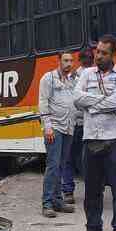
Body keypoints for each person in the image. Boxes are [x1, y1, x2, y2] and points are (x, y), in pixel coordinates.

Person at [71, 34, 116, 231]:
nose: (99, 56)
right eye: (97, 52)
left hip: (114, 139)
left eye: (104, 53)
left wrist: (92, 105)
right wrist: (103, 104)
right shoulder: (86, 73)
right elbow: (76, 98)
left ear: (114, 54)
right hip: (90, 140)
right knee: (92, 191)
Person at [38, 51, 80, 218]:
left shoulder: (73, 80)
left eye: (71, 61)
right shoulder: (48, 78)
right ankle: (47, 203)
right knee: (53, 165)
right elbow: (43, 102)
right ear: (59, 61)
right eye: (65, 60)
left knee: (62, 165)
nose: (69, 63)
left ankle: (57, 201)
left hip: (69, 127)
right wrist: (47, 126)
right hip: (54, 127)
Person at [61, 45, 92, 204]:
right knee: (75, 158)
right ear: (81, 60)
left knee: (79, 159)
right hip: (76, 123)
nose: (88, 62)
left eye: (89, 59)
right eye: (86, 59)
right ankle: (70, 191)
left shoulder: (87, 75)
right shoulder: (75, 76)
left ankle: (71, 191)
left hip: (83, 124)